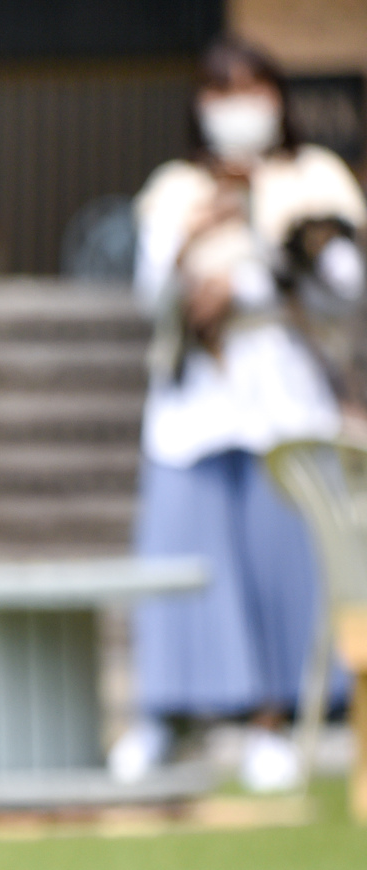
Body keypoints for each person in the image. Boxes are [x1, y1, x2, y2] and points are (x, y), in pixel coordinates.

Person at [111, 36, 364, 792]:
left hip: (284, 395)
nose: (239, 107)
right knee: (183, 559)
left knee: (284, 559)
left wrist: (268, 247)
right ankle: (169, 716)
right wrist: (191, 257)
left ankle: (278, 719)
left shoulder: (313, 176)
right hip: (195, 406)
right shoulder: (175, 187)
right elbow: (144, 293)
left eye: (252, 88)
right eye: (222, 92)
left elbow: (347, 285)